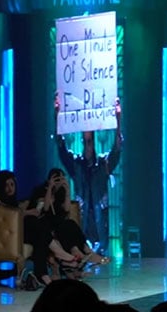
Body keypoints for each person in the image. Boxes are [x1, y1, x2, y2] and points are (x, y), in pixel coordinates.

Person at [54, 94, 122, 252]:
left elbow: (117, 149)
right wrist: (57, 115)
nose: (88, 144)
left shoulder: (103, 164)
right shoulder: (76, 165)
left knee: (99, 262)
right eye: (85, 141)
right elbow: (61, 147)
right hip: (81, 220)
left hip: (99, 225)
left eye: (90, 141)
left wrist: (118, 118)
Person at [0, 170, 80, 286]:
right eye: (6, 185)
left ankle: (43, 274)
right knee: (34, 223)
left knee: (40, 233)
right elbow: (8, 215)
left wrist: (26, 211)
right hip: (9, 235)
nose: (9, 188)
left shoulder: (14, 202)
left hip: (22, 234)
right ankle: (58, 254)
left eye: (12, 184)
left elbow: (63, 210)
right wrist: (26, 212)